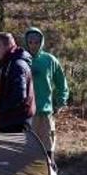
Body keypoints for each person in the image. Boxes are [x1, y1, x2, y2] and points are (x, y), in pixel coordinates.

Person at [25, 27, 69, 162]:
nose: (33, 45)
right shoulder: (22, 59)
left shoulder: (50, 60)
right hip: (27, 113)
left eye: (37, 42)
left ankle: (51, 174)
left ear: (41, 42)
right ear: (27, 42)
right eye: (31, 42)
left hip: (45, 111)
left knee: (48, 147)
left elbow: (61, 83)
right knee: (28, 149)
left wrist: (60, 101)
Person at [0, 32, 36, 134]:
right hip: (11, 121)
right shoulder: (10, 62)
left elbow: (19, 95)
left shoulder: (17, 65)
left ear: (8, 46)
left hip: (15, 123)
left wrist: (3, 111)